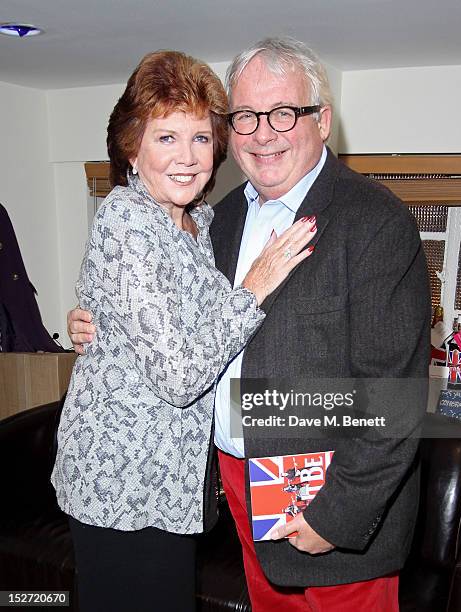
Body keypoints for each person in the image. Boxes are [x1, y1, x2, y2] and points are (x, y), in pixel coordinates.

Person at [68, 38, 431, 612]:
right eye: (244, 117)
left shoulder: (374, 220)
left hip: (328, 493)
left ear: (323, 122)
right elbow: (171, 316)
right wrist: (99, 321)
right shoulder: (220, 218)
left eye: (283, 112)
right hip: (233, 485)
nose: (263, 133)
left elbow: (396, 394)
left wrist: (337, 514)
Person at [53, 48, 316, 612]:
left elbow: (143, 317)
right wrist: (255, 285)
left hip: (169, 482)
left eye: (200, 138)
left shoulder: (201, 225)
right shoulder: (127, 216)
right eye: (165, 137)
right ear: (132, 147)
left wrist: (94, 322)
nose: (187, 156)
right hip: (121, 479)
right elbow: (178, 375)